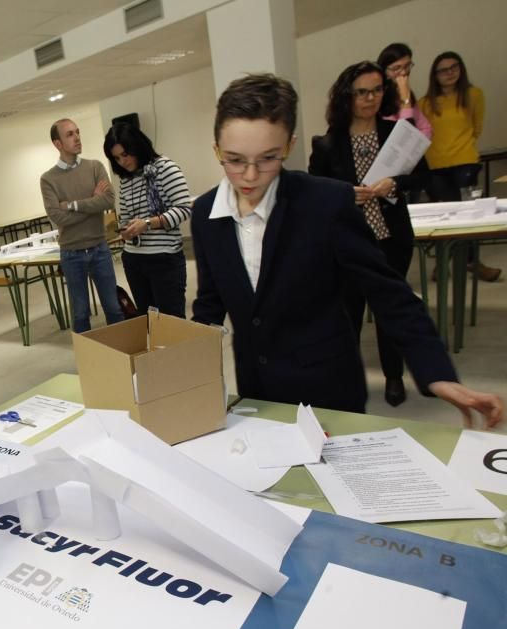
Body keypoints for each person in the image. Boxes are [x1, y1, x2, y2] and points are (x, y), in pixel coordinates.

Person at [190, 73, 502, 427]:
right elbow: (209, 304)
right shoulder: (205, 214)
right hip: (258, 392)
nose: (249, 175)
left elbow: (388, 292)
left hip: (327, 389)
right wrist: (179, 371)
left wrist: (437, 372)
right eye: (233, 159)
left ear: (289, 146)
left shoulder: (326, 202)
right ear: (216, 148)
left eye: (267, 158)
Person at [309, 61, 429, 407]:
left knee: (390, 308)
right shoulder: (329, 142)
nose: (371, 98)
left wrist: (396, 183)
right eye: (362, 91)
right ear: (348, 95)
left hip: (392, 238)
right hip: (348, 243)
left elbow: (424, 176)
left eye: (377, 90)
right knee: (349, 313)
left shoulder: (397, 134)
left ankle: (394, 377)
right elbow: (315, 190)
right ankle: (350, 377)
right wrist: (345, 193)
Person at [419, 51, 499, 282]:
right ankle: (444, 262)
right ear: (435, 75)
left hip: (464, 161)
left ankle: (473, 262)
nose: (449, 73)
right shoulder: (425, 103)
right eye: (443, 70)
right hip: (434, 165)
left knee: (469, 215)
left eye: (454, 67)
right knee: (442, 215)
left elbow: (477, 126)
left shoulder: (473, 94)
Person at [40, 118, 125, 333]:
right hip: (71, 254)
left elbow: (108, 201)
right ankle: (89, 361)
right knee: (80, 313)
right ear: (57, 143)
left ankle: (121, 356)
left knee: (114, 308)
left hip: (100, 249)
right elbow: (58, 218)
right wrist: (91, 204)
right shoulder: (48, 179)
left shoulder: (95, 167)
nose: (77, 137)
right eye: (69, 134)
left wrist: (73, 205)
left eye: (77, 132)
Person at [103, 122, 192, 317]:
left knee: (172, 321)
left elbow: (185, 208)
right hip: (134, 259)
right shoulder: (125, 180)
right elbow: (126, 217)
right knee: (148, 319)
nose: (122, 162)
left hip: (164, 257)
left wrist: (149, 223)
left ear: (137, 146)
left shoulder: (165, 168)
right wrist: (123, 230)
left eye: (125, 155)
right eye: (116, 158)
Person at [376, 43, 432, 139]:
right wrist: (405, 99)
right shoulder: (379, 97)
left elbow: (427, 129)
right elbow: (403, 137)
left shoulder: (405, 91)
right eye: (396, 68)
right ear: (384, 71)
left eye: (407, 66)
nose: (404, 72)